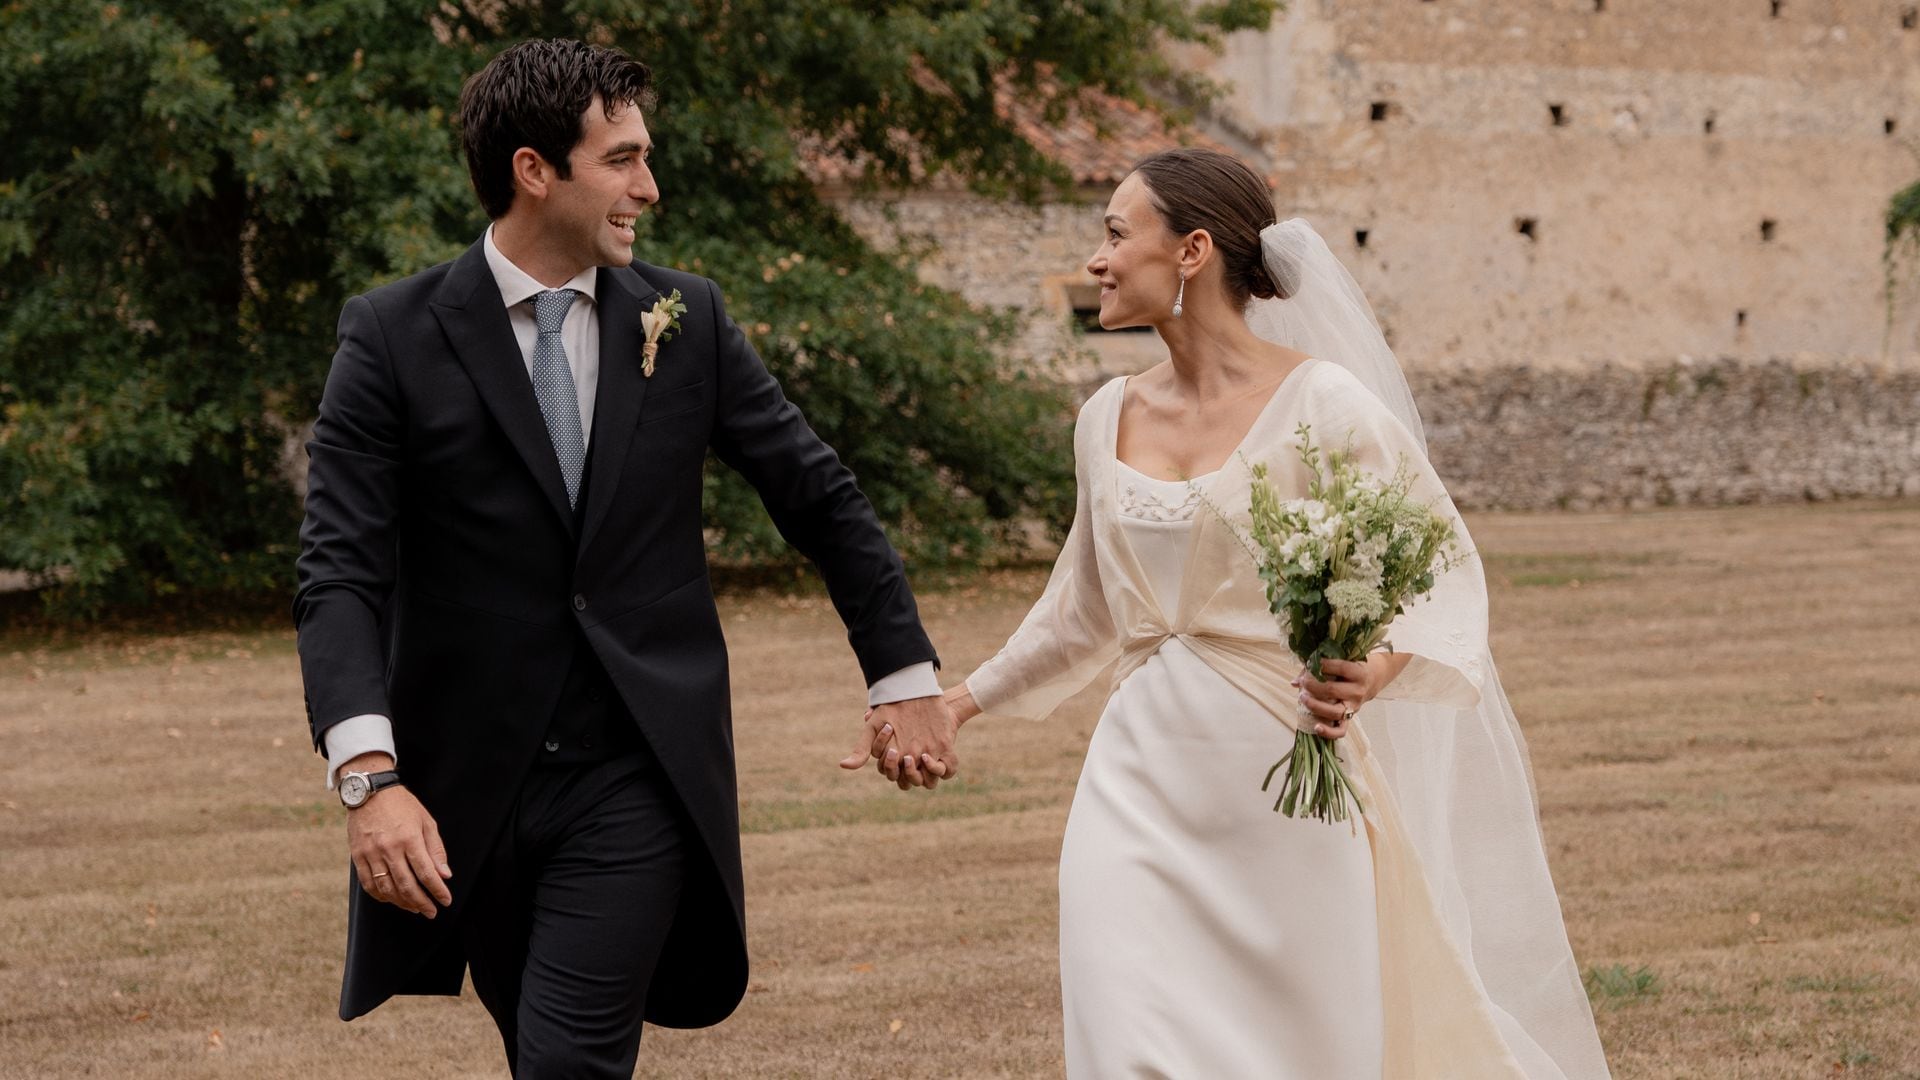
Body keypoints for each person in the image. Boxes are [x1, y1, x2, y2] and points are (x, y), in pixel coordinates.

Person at [292, 38, 957, 1078]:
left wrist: (903, 675)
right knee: (541, 1053)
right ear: (534, 170)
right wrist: (367, 778)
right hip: (470, 792)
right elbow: (340, 573)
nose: (649, 186)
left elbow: (819, 498)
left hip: (637, 773)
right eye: (623, 159)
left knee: (569, 1063)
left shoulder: (684, 319)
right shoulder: (391, 336)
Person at [932, 148, 1612, 1077]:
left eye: (1116, 234)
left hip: (1287, 788)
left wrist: (1372, 669)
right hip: (1134, 793)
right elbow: (1079, 612)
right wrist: (955, 704)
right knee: (1125, 1043)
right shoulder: (1103, 417)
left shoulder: (1325, 405)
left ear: (1192, 251)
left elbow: (1437, 569)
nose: (1097, 259)